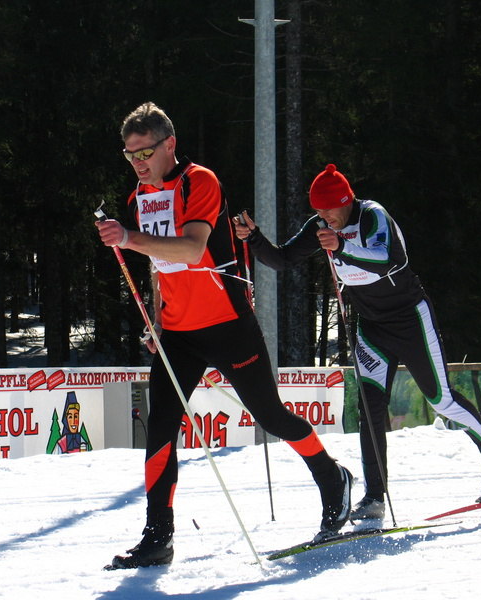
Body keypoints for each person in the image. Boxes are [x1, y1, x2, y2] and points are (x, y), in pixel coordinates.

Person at [95, 103, 353, 569]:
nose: (138, 162)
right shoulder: (138, 197)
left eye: (146, 152)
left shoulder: (200, 181)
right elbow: (160, 265)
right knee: (160, 428)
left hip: (227, 324)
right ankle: (158, 537)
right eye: (130, 154)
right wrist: (158, 318)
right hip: (179, 333)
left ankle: (332, 478)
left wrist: (128, 238)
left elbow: (193, 248)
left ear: (170, 145)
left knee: (271, 416)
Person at [233, 163, 481, 520]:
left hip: (410, 319)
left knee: (440, 399)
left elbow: (388, 261)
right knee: (370, 409)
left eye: (329, 210)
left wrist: (341, 247)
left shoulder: (373, 215)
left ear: (346, 201)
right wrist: (254, 238)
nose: (324, 217)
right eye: (318, 210)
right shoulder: (321, 226)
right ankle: (374, 496)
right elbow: (283, 259)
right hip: (372, 327)